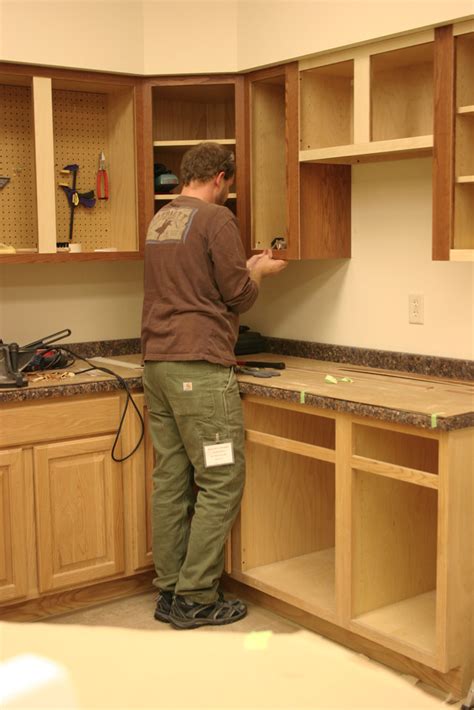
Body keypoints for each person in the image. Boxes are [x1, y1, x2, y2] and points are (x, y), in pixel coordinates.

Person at [141, 141, 287, 629]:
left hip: (159, 366)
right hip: (199, 371)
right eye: (230, 183)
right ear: (222, 178)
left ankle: (170, 592)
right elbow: (239, 297)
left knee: (170, 481)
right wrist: (260, 271)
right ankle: (197, 596)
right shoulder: (217, 219)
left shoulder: (163, 219)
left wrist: (241, 271)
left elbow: (199, 284)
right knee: (221, 481)